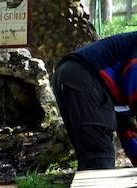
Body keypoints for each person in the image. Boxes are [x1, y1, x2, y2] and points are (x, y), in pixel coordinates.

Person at [53, 31, 137, 170]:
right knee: (99, 158)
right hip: (85, 78)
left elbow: (126, 129)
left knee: (91, 154)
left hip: (70, 74)